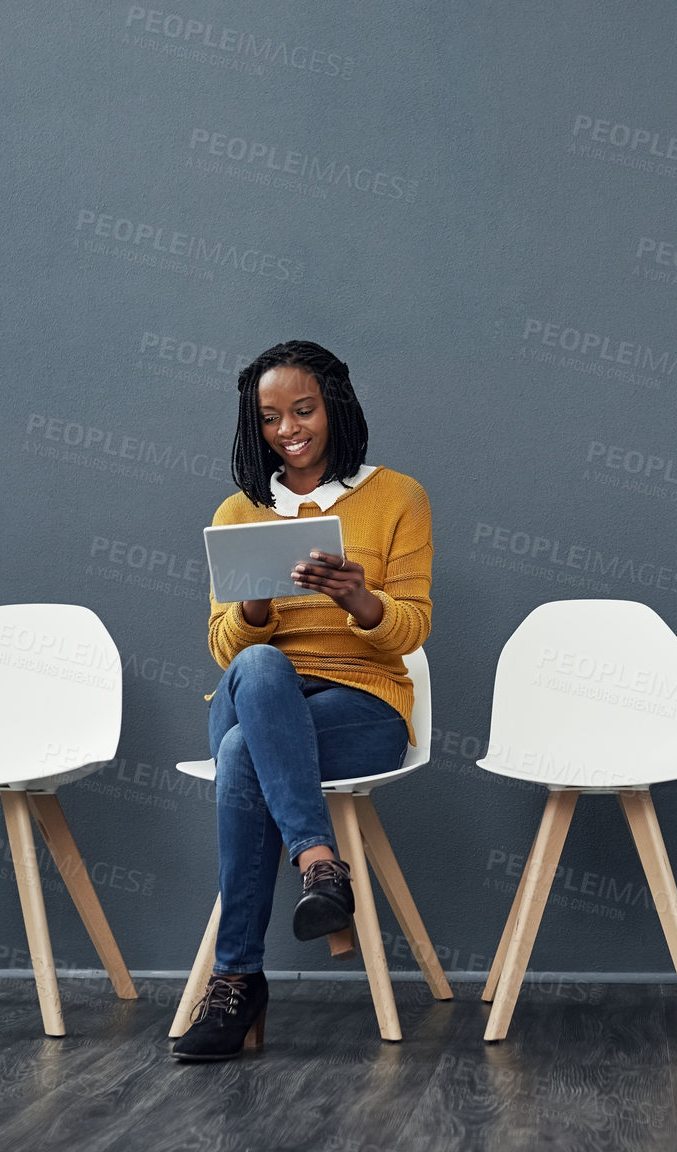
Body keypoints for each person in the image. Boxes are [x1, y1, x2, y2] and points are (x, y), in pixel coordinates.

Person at [171, 340, 432, 1061]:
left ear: (335, 406)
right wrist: (254, 607)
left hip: (362, 705)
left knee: (238, 755)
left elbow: (413, 627)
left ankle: (235, 982)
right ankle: (320, 861)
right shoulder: (238, 511)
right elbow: (224, 647)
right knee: (256, 663)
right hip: (255, 691)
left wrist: (361, 599)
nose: (289, 428)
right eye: (270, 416)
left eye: (304, 409)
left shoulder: (399, 498)